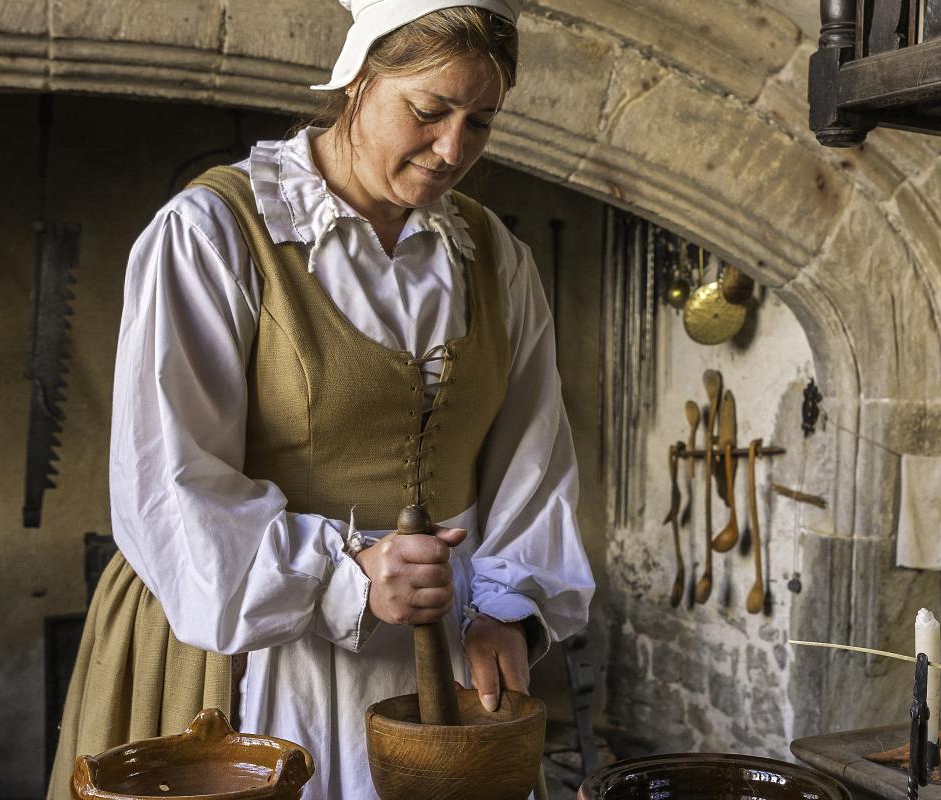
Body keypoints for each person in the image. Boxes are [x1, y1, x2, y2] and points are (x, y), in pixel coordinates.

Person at [46, 1, 594, 796]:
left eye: (480, 123)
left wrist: (509, 610)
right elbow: (169, 486)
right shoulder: (213, 232)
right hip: (251, 643)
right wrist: (346, 577)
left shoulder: (493, 255)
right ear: (359, 79)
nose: (452, 151)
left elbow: (534, 459)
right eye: (429, 110)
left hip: (438, 659)